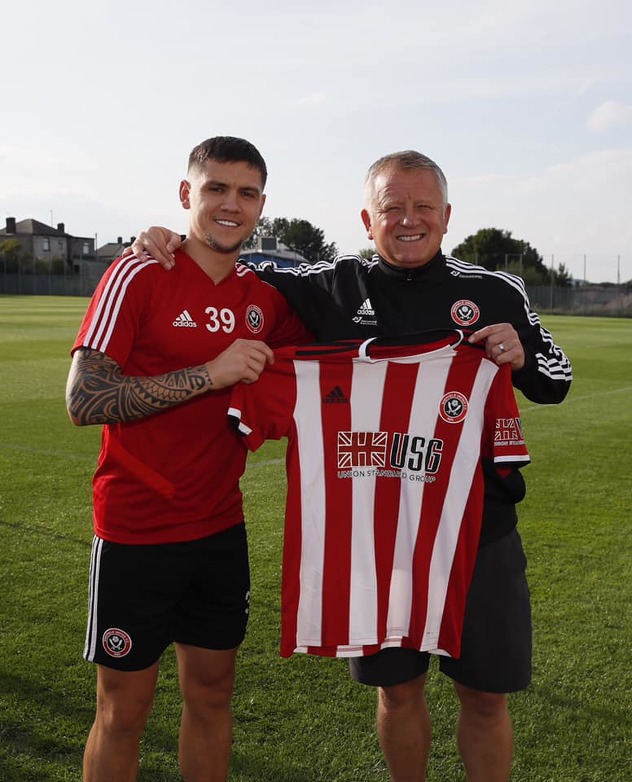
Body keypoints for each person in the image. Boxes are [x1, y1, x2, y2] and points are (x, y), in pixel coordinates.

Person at [130, 149, 572, 782]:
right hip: (374, 535)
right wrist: (174, 237)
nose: (409, 220)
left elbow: (556, 379)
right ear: (368, 220)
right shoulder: (329, 285)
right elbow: (233, 257)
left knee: (484, 695)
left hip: (479, 531)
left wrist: (521, 354)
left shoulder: (495, 289)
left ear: (447, 217)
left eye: (424, 207)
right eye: (393, 207)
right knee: (397, 692)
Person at [66, 136, 310, 782]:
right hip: (136, 529)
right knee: (123, 711)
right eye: (216, 189)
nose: (231, 205)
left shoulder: (268, 298)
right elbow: (84, 399)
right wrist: (210, 373)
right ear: (186, 196)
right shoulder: (139, 273)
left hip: (219, 531)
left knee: (212, 697)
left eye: (247, 193)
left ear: (262, 205)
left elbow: (349, 345)